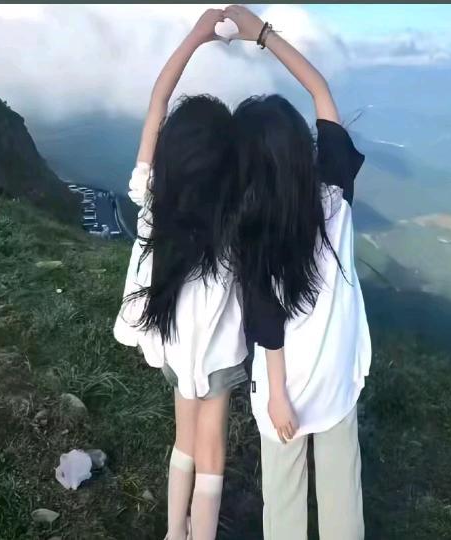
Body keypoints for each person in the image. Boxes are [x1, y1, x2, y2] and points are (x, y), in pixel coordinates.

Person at [224, 5, 371, 540]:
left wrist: (279, 395)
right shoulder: (334, 195)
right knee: (341, 490)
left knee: (284, 497)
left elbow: (267, 321)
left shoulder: (253, 228)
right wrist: (261, 34)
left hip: (285, 386)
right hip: (336, 373)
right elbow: (321, 93)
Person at [113, 10, 248, 540]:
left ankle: (174, 532)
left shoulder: (154, 201)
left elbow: (157, 104)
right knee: (211, 446)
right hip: (218, 353)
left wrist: (195, 37)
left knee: (184, 437)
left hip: (172, 345)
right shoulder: (234, 219)